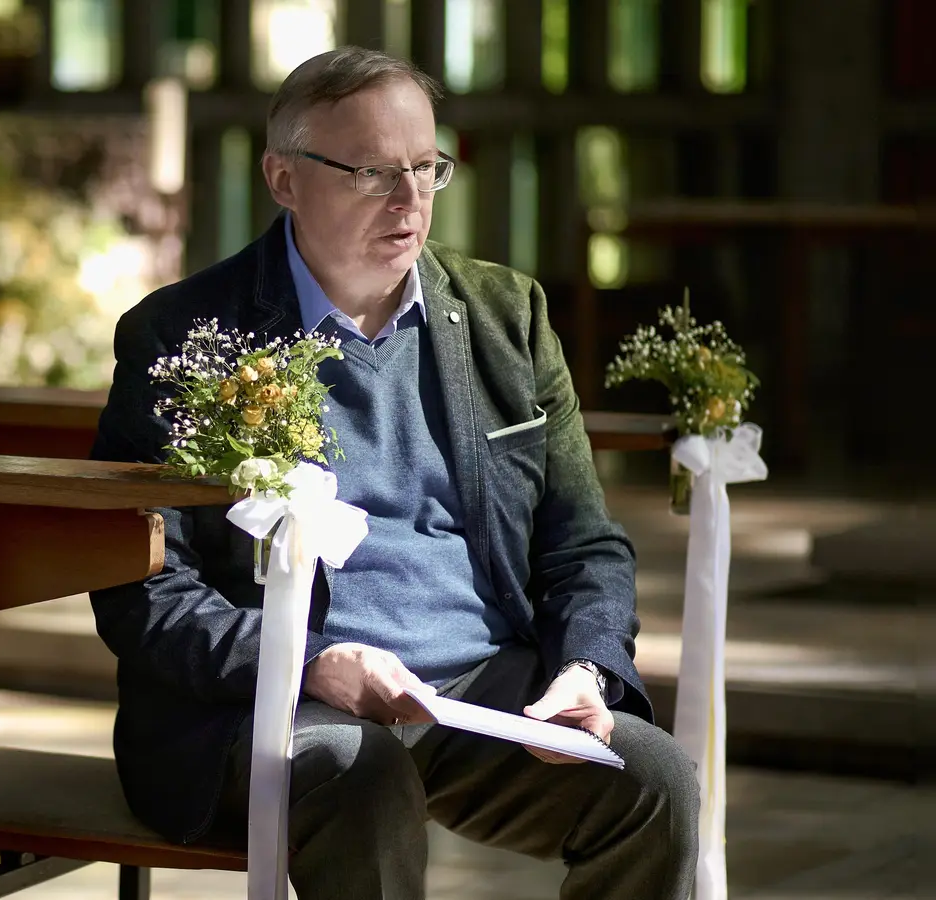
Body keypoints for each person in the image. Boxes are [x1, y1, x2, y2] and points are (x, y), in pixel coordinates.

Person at [88, 46, 698, 899]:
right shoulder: (186, 337)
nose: (411, 201)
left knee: (654, 780)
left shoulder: (506, 315)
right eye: (373, 172)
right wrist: (306, 661)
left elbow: (584, 543)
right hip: (285, 707)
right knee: (359, 774)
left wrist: (582, 670)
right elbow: (141, 590)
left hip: (487, 697)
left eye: (426, 167)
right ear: (283, 178)